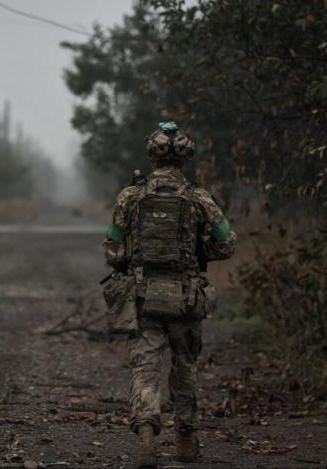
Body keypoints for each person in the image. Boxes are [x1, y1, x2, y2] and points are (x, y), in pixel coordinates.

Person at [101, 121, 236, 468]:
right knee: (185, 369)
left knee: (145, 368)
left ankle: (147, 436)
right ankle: (186, 441)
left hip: (144, 297)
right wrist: (201, 250)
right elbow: (227, 243)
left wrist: (131, 259)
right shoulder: (199, 197)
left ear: (152, 155)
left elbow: (112, 250)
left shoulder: (131, 196)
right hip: (186, 298)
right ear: (186, 158)